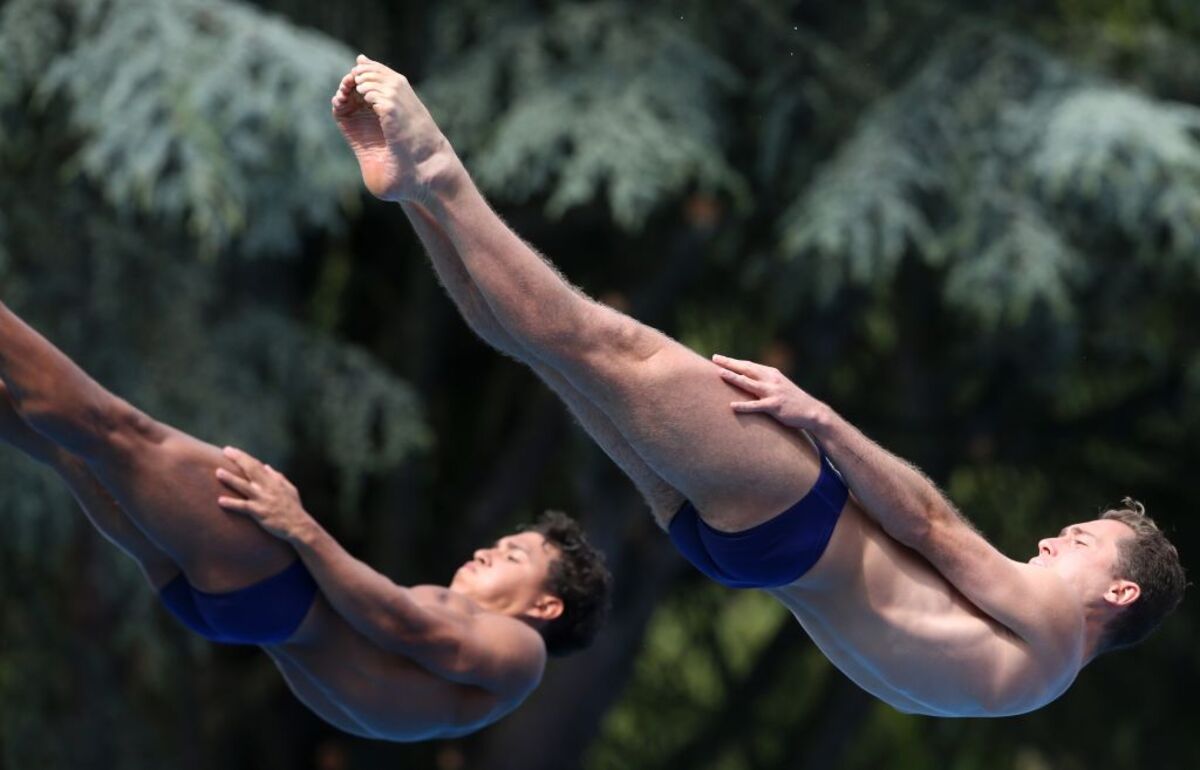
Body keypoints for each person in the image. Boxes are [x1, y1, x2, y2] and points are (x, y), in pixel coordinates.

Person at [334, 54, 1186, 717]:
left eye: (1081, 541)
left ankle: (438, 173)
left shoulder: (1052, 622)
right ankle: (413, 195)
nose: (1051, 542)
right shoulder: (1030, 682)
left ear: (1119, 593)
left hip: (797, 514)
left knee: (601, 341)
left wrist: (821, 420)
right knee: (558, 356)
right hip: (747, 556)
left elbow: (929, 524)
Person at [0, 302, 611, 740]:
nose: (487, 552)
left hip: (272, 594)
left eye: (513, 557)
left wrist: (298, 524)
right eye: (500, 543)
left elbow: (410, 628)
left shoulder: (523, 653)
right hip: (245, 611)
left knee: (114, 430)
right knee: (67, 448)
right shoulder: (481, 666)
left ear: (547, 606)